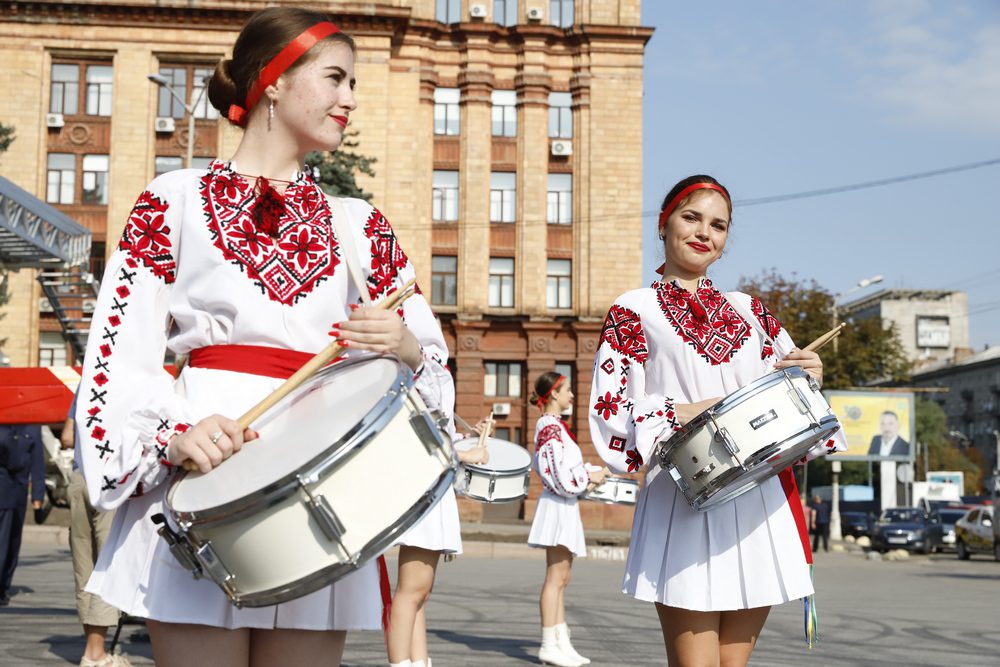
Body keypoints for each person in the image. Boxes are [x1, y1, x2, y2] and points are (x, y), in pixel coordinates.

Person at [73, 8, 454, 666]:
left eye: (354, 83)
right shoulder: (173, 200)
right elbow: (115, 357)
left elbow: (435, 376)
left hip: (323, 491)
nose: (351, 99)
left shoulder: (362, 224)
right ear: (273, 80)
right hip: (206, 478)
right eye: (335, 78)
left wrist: (402, 344)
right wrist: (172, 436)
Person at [588, 175, 846, 666]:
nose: (704, 232)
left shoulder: (751, 312)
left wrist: (808, 374)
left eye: (719, 225)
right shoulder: (632, 309)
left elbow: (789, 404)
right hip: (686, 495)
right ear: (664, 224)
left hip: (760, 503)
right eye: (692, 217)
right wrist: (683, 410)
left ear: (726, 242)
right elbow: (612, 411)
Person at [388, 421, 491, 667]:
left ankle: (419, 662)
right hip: (423, 484)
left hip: (436, 481)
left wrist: (468, 437)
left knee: (420, 593)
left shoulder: (440, 380)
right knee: (411, 591)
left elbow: (439, 432)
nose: (571, 396)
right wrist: (466, 454)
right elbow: (414, 437)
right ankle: (401, 662)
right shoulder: (419, 381)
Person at [528, 372, 605, 667]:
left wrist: (591, 472)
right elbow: (554, 473)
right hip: (558, 505)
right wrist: (588, 477)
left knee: (563, 577)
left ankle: (561, 642)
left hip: (564, 504)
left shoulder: (555, 426)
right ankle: (550, 643)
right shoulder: (548, 426)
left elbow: (562, 467)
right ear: (555, 393)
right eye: (568, 390)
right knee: (555, 578)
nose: (572, 395)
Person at [61, 407, 131, 667]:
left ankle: (93, 648)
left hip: (80, 477)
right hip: (110, 477)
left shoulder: (87, 382)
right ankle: (95, 654)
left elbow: (67, 437)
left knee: (85, 565)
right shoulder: (131, 377)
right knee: (107, 565)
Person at [0, 424, 45, 606]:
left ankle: (4, 585)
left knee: (12, 541)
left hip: (17, 491)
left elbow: (37, 460)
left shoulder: (32, 425)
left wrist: (37, 495)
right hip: (5, 488)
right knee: (3, 542)